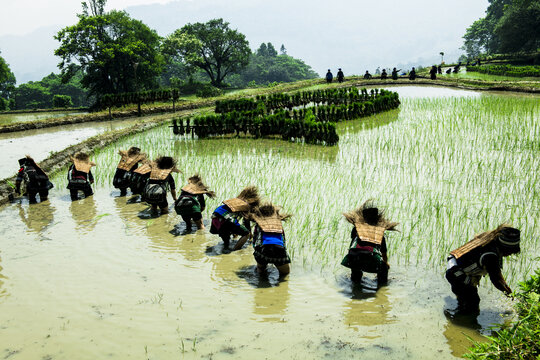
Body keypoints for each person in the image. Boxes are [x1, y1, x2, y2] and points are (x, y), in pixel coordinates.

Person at [446, 225, 520, 314]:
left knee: (466, 297)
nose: (510, 254)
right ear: (504, 248)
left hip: (455, 263)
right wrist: (509, 294)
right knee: (473, 304)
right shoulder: (490, 256)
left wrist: (506, 287)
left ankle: (461, 304)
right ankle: (457, 319)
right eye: (510, 251)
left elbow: (498, 276)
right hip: (456, 273)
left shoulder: (492, 238)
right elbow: (496, 280)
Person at [341, 201, 398, 285]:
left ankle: (355, 286)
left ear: (363, 217)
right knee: (384, 268)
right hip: (370, 256)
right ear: (377, 218)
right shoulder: (379, 231)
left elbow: (353, 243)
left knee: (356, 276)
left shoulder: (357, 227)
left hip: (353, 256)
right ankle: (381, 288)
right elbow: (384, 252)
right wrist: (386, 263)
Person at [249, 202, 292, 277]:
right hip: (279, 249)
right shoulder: (277, 224)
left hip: (264, 249)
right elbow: (283, 239)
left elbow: (255, 241)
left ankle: (261, 281)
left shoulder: (259, 225)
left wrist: (257, 253)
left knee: (261, 271)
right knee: (285, 274)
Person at [210, 186, 260, 250]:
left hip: (215, 217)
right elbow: (246, 223)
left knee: (226, 242)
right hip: (224, 219)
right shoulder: (245, 206)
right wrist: (250, 236)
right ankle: (235, 251)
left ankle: (225, 250)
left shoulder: (236, 201)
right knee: (246, 234)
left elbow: (234, 222)